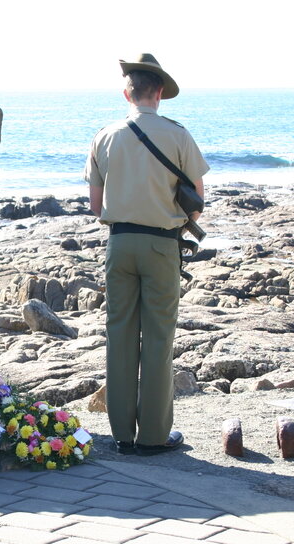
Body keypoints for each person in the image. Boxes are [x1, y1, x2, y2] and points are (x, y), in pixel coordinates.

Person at [84, 54, 208, 456]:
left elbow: (95, 206)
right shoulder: (178, 135)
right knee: (158, 337)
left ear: (127, 93)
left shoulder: (105, 135)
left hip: (119, 243)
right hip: (161, 245)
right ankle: (153, 436)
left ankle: (121, 433)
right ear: (159, 94)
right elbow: (197, 205)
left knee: (119, 335)